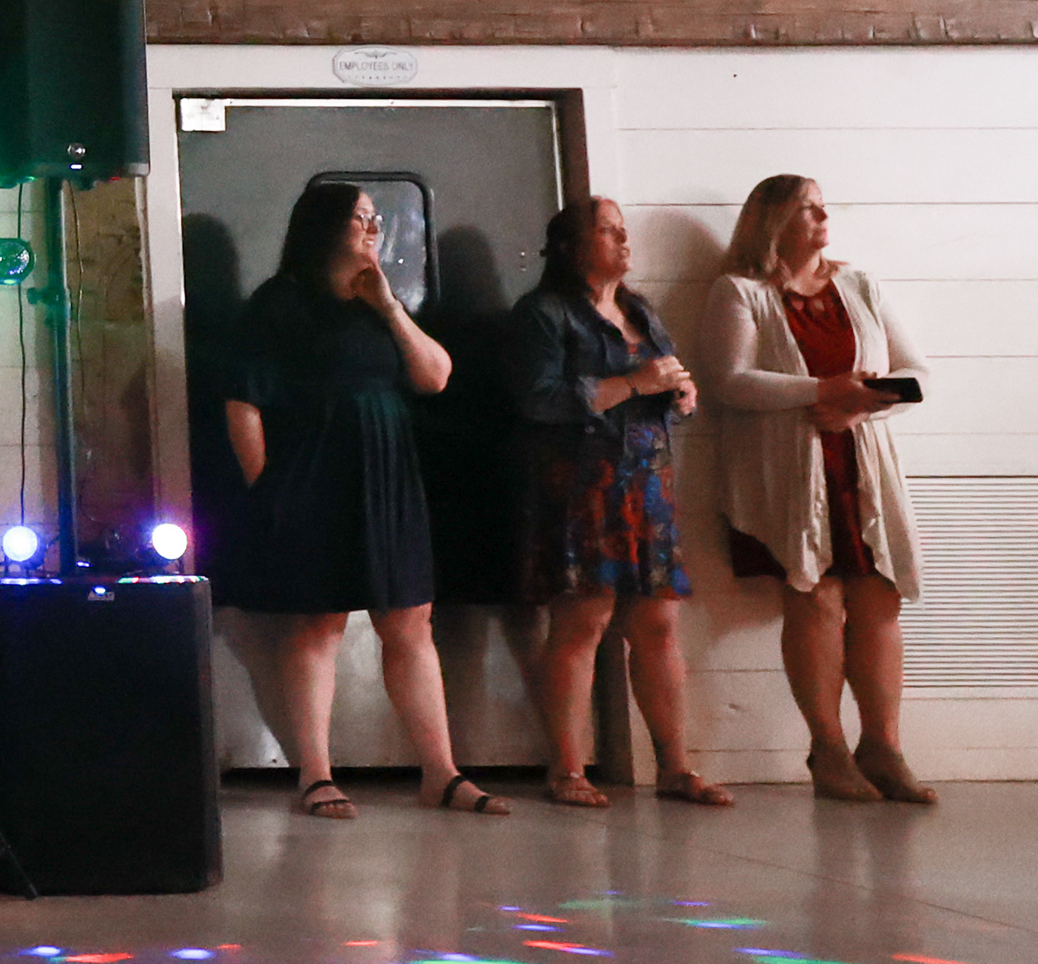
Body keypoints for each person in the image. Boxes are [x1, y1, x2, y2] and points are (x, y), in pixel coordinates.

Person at [221, 177, 510, 819]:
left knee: (409, 621)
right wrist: (267, 490)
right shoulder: (280, 302)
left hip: (388, 474)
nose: (372, 230)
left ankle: (441, 772)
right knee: (318, 623)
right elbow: (244, 403)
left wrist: (388, 307)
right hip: (312, 472)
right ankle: (315, 775)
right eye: (359, 219)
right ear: (325, 228)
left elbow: (435, 377)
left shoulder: (383, 303)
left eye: (377, 218)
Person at [698, 175, 936, 806]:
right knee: (816, 597)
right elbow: (730, 381)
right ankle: (827, 749)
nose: (825, 215)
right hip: (789, 469)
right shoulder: (741, 290)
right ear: (773, 221)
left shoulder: (858, 284)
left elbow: (915, 371)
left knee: (880, 595)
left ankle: (882, 747)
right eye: (808, 208)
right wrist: (825, 391)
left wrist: (862, 408)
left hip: (860, 459)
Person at [503, 198, 731, 810]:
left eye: (624, 231)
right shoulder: (543, 314)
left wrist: (680, 398)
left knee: (658, 625)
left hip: (646, 484)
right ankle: (568, 769)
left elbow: (663, 384)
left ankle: (676, 768)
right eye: (608, 231)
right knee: (583, 621)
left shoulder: (639, 309)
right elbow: (537, 399)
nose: (624, 241)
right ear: (573, 248)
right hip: (581, 486)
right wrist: (635, 383)